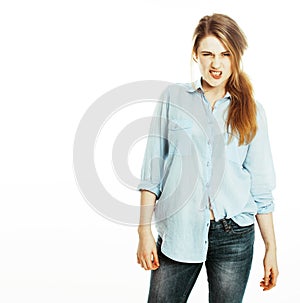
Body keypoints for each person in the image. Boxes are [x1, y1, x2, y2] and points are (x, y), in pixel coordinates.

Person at [136, 13, 278, 303]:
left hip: (234, 236)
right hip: (179, 232)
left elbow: (261, 189)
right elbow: (152, 172)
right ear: (195, 55)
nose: (216, 63)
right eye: (208, 54)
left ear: (236, 56)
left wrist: (271, 249)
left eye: (225, 54)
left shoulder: (253, 110)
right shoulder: (173, 98)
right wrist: (144, 232)